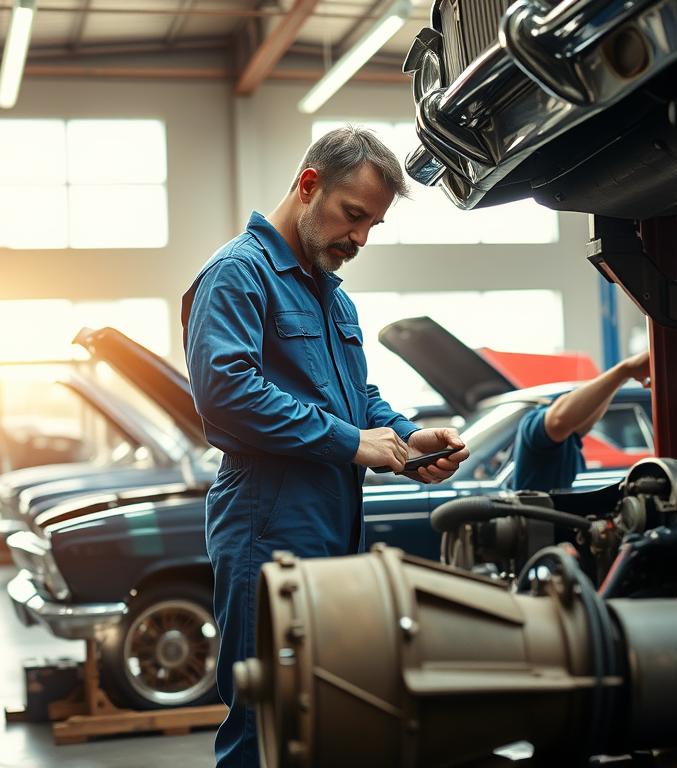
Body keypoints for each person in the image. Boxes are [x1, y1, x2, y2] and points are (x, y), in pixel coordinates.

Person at [181, 126, 471, 767]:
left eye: (373, 224)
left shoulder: (329, 295)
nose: (361, 239)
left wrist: (404, 437)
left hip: (333, 523)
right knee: (266, 716)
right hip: (267, 523)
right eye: (354, 215)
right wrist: (350, 443)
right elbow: (227, 395)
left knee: (322, 711)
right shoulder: (237, 276)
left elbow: (357, 399)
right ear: (309, 185)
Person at [510, 350, 651, 492]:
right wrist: (625, 370)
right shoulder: (531, 426)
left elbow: (587, 418)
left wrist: (622, 378)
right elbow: (558, 419)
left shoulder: (570, 438)